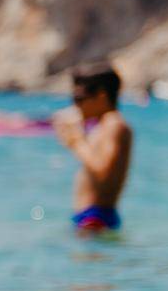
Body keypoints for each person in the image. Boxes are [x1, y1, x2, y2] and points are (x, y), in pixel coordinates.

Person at [54, 61, 132, 232]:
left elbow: (102, 171)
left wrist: (76, 141)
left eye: (79, 98)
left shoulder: (114, 125)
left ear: (101, 96)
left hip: (96, 217)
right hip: (93, 215)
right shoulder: (104, 125)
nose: (76, 105)